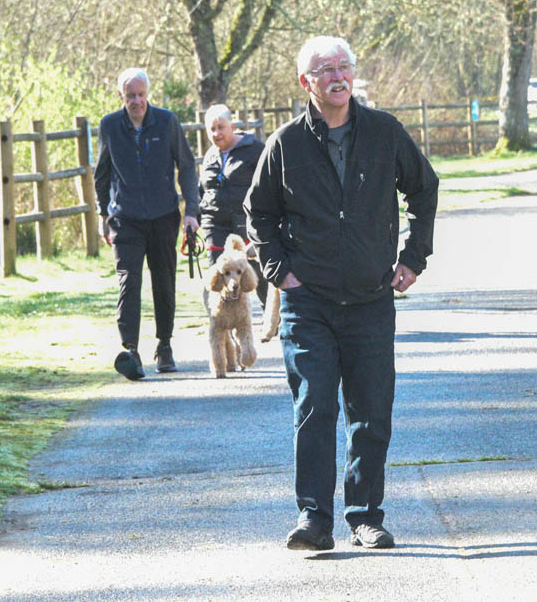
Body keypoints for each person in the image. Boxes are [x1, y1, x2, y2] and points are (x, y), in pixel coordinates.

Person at [245, 36, 438, 551]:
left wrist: (413, 257)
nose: (337, 76)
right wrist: (279, 272)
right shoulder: (285, 143)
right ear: (305, 81)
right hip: (308, 302)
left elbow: (423, 187)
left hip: (372, 298)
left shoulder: (383, 131)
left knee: (371, 411)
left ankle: (365, 517)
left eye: (344, 67)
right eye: (324, 69)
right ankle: (314, 520)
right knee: (315, 407)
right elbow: (258, 212)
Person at [95, 67, 200, 379]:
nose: (136, 101)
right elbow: (101, 173)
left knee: (164, 279)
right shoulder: (110, 125)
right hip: (124, 218)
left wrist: (191, 211)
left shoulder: (166, 121)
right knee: (129, 280)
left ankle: (164, 344)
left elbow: (187, 165)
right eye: (130, 96)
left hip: (163, 215)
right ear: (121, 96)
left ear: (147, 95)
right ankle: (130, 350)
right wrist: (103, 215)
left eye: (141, 95)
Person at [198, 104, 267, 305]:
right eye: (212, 129)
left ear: (233, 126)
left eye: (221, 127)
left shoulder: (254, 150)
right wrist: (197, 216)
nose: (216, 133)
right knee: (217, 273)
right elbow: (202, 189)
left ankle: (272, 321)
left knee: (257, 272)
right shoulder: (211, 155)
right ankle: (220, 325)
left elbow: (269, 185)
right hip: (215, 224)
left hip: (245, 223)